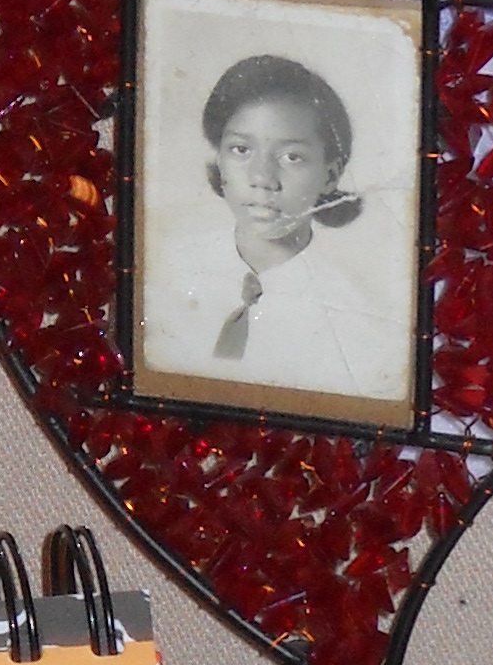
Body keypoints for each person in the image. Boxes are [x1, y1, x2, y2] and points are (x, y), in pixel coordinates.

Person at [140, 52, 415, 409]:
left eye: (292, 157)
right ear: (219, 158)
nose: (262, 178)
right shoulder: (162, 269)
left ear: (330, 175)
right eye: (241, 149)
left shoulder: (357, 325)